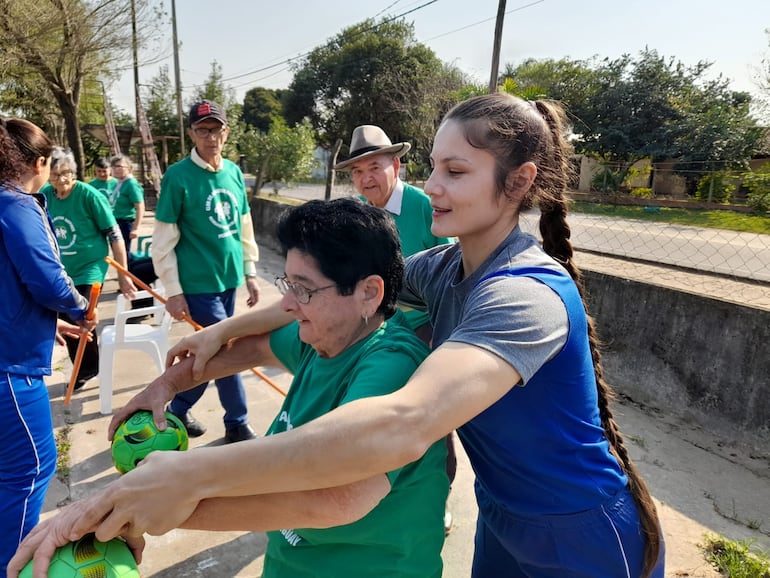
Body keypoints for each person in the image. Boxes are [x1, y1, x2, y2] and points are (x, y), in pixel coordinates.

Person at [11, 94, 666, 577]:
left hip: (581, 530)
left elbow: (401, 423)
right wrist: (215, 340)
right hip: (502, 516)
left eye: (457, 172)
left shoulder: (522, 294)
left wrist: (186, 478)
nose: (433, 186)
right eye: (434, 167)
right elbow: (327, 291)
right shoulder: (443, 268)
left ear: (519, 182)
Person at [9, 199, 449, 578]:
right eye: (288, 284)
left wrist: (147, 508)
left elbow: (336, 497)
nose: (289, 305)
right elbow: (249, 349)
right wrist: (163, 386)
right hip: (293, 563)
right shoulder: (321, 336)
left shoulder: (391, 366)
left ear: (370, 293)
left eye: (305, 289)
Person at [336, 124, 457, 533]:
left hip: (427, 329)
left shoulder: (427, 207)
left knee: (435, 421)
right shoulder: (358, 213)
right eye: (358, 172)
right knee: (376, 415)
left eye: (375, 167)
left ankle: (438, 499)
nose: (367, 178)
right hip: (379, 330)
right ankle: (375, 492)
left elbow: (457, 268)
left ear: (397, 165)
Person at [0, 118, 96, 574]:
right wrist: (77, 306)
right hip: (9, 371)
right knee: (33, 468)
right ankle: (13, 564)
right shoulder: (15, 204)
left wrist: (48, 323)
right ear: (38, 163)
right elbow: (47, 279)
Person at [151, 99, 260, 443]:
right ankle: (237, 422)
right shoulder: (178, 177)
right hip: (197, 284)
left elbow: (244, 226)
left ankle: (179, 408)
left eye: (216, 130)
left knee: (209, 351)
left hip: (228, 279)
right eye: (202, 130)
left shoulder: (233, 173)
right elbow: (163, 240)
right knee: (226, 351)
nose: (210, 137)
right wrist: (173, 291)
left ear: (226, 132)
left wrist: (250, 271)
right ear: (191, 134)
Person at [41, 147, 136, 390]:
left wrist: (123, 275)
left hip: (90, 267)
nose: (60, 180)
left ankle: (86, 370)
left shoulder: (89, 195)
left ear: (73, 172)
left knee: (80, 314)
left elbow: (114, 234)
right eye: (54, 175)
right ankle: (86, 364)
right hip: (62, 269)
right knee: (63, 316)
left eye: (65, 174)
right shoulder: (45, 195)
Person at [107, 154, 145, 254]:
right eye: (114, 167)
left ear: (129, 168)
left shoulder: (131, 184)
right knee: (117, 254)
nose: (116, 169)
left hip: (125, 222)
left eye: (119, 166)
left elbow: (140, 207)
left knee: (123, 254)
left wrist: (135, 228)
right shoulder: (119, 183)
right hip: (115, 222)